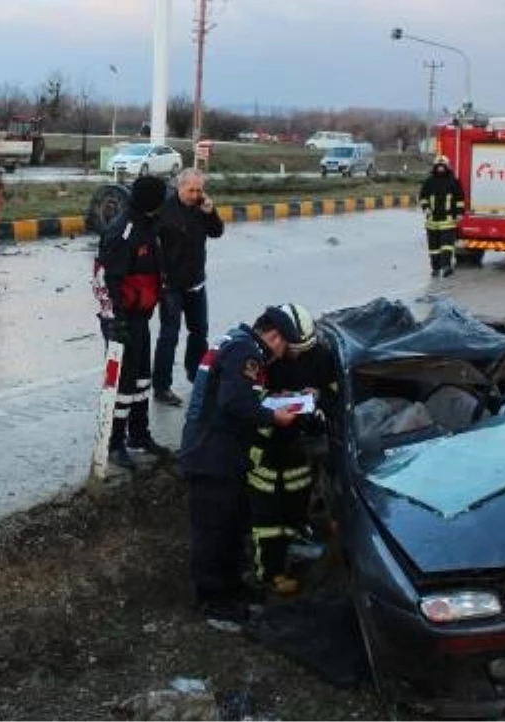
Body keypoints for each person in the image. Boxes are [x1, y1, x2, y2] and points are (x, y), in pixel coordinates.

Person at [178, 305, 309, 631]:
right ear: (275, 337)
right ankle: (212, 600)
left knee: (233, 524)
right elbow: (234, 402)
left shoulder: (236, 342)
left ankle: (232, 587)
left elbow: (239, 394)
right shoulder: (246, 351)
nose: (282, 356)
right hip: (212, 456)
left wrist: (279, 398)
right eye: (286, 348)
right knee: (214, 531)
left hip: (222, 453)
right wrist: (273, 416)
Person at [246, 307, 337, 597]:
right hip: (266, 447)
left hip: (298, 445)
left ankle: (294, 551)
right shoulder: (260, 358)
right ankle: (269, 574)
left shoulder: (319, 356)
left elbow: (334, 393)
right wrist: (273, 400)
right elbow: (244, 402)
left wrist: (319, 395)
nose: (296, 356)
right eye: (292, 349)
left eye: (301, 350)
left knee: (295, 505)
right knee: (267, 516)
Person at [93, 175, 171, 470]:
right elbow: (105, 280)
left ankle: (139, 435)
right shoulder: (122, 232)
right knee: (123, 384)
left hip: (140, 316)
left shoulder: (149, 227)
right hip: (122, 320)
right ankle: (113, 444)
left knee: (141, 380)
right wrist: (115, 322)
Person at [152, 168, 224, 407]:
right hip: (171, 285)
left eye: (199, 190)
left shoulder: (201, 207)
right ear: (179, 187)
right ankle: (161, 386)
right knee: (169, 335)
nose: (195, 194)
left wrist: (211, 212)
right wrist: (160, 275)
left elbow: (217, 232)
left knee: (199, 332)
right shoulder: (164, 210)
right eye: (191, 190)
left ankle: (197, 375)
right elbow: (153, 243)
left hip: (196, 282)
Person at [418, 155, 465, 278]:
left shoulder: (453, 181)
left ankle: (446, 267)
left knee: (447, 246)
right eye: (438, 166)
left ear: (447, 167)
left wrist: (459, 213)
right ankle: (435, 268)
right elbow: (422, 197)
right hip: (432, 221)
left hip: (448, 220)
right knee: (433, 248)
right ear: (435, 167)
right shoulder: (429, 181)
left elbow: (459, 199)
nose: (440, 168)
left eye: (442, 166)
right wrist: (426, 208)